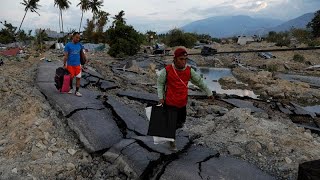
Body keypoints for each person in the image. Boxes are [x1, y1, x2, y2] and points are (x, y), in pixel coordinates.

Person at [157, 47, 213, 150]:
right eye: (181, 59)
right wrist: (161, 97)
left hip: (182, 102)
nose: (183, 61)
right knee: (172, 123)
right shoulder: (167, 70)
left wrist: (209, 92)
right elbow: (160, 84)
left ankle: (168, 130)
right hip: (170, 102)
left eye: (185, 59)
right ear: (175, 59)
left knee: (181, 122)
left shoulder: (189, 71)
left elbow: (199, 82)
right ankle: (171, 139)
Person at [63, 32, 86, 97]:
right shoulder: (68, 45)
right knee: (71, 77)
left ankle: (77, 91)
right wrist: (64, 64)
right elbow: (66, 56)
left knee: (78, 78)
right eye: (76, 37)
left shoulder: (80, 45)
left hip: (78, 65)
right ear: (73, 37)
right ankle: (71, 88)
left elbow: (82, 54)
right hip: (70, 65)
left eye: (79, 38)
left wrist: (83, 63)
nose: (78, 39)